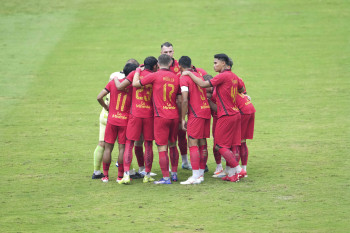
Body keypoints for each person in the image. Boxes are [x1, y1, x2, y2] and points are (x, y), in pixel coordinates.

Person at [181, 53, 247, 182]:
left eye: (215, 63)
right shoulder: (234, 77)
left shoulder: (222, 76)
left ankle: (239, 170)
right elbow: (242, 89)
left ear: (223, 63)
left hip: (226, 115)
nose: (214, 65)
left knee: (219, 145)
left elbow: (203, 84)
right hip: (236, 114)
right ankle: (233, 175)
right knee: (232, 144)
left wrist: (189, 74)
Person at [133, 54, 181, 184]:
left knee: (162, 147)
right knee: (173, 145)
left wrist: (138, 70)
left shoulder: (155, 75)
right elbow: (179, 98)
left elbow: (136, 84)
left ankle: (166, 177)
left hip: (161, 116)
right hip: (174, 115)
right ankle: (175, 174)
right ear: (171, 63)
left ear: (158, 64)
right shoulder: (176, 78)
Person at [114, 56, 158, 184]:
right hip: (149, 114)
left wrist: (115, 79)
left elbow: (121, 87)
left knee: (129, 143)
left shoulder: (135, 73)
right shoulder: (155, 76)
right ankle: (147, 174)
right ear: (155, 66)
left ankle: (126, 175)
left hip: (135, 114)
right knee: (148, 144)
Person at [91, 59, 138, 179]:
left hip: (111, 119)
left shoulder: (113, 82)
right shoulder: (134, 87)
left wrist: (107, 107)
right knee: (122, 148)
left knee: (107, 148)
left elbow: (99, 97)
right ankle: (120, 176)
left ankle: (105, 176)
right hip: (125, 121)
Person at [177, 56, 211, 185]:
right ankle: (200, 174)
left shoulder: (184, 77)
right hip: (205, 110)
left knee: (192, 143)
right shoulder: (198, 75)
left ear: (180, 66)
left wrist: (182, 118)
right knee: (202, 143)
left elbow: (184, 99)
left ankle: (195, 176)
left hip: (196, 113)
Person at [160, 42, 191, 170]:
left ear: (173, 52)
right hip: (162, 108)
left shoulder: (180, 66)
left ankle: (184, 161)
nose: (168, 54)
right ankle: (167, 165)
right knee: (165, 138)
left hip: (178, 107)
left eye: (170, 52)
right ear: (161, 53)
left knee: (181, 134)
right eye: (166, 52)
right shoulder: (158, 66)